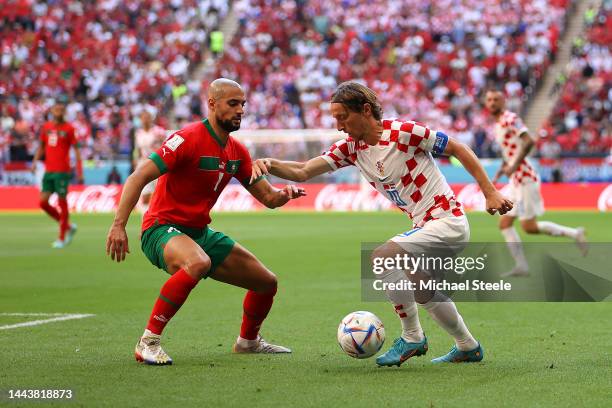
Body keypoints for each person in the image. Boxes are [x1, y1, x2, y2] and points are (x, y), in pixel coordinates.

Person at [251, 81, 513, 366]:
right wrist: (269, 163)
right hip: (423, 225)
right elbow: (303, 170)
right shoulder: (350, 149)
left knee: (382, 258)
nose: (339, 126)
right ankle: (467, 346)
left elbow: (458, 149)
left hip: (446, 220)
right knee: (422, 288)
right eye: (335, 119)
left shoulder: (404, 133)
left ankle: (412, 337)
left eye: (342, 117)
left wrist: (490, 191)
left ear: (365, 110)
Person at [106, 78, 305, 365]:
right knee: (197, 263)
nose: (240, 110)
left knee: (266, 282)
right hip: (161, 229)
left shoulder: (238, 152)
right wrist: (118, 224)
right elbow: (138, 177)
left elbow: (268, 199)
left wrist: (285, 194)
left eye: (243, 104)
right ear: (212, 104)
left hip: (199, 234)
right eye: (233, 104)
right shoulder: (185, 140)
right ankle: (148, 341)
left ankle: (247, 342)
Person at [485, 89, 588, 277]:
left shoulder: (509, 118)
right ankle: (521, 266)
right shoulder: (499, 123)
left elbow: (529, 141)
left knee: (529, 227)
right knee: (505, 223)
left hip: (525, 178)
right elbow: (511, 150)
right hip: (516, 180)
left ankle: (575, 234)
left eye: (496, 99)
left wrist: (514, 164)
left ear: (503, 102)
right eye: (489, 100)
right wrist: (503, 168)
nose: (492, 103)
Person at [31, 102, 83, 248]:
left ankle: (61, 238)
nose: (59, 111)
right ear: (52, 111)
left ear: (64, 112)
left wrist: (80, 171)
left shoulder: (69, 128)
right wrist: (35, 161)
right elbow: (41, 146)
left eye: (61, 109)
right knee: (42, 202)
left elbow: (77, 151)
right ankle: (68, 226)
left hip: (62, 171)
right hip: (49, 171)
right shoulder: (46, 127)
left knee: (62, 203)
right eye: (56, 109)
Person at [133, 110, 166, 212]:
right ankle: (147, 220)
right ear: (140, 119)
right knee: (145, 194)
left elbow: (165, 146)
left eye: (147, 117)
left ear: (151, 118)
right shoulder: (138, 133)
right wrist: (135, 162)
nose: (145, 120)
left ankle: (161, 218)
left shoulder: (159, 131)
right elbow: (137, 149)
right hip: (143, 164)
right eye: (143, 117)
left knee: (160, 193)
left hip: (157, 164)